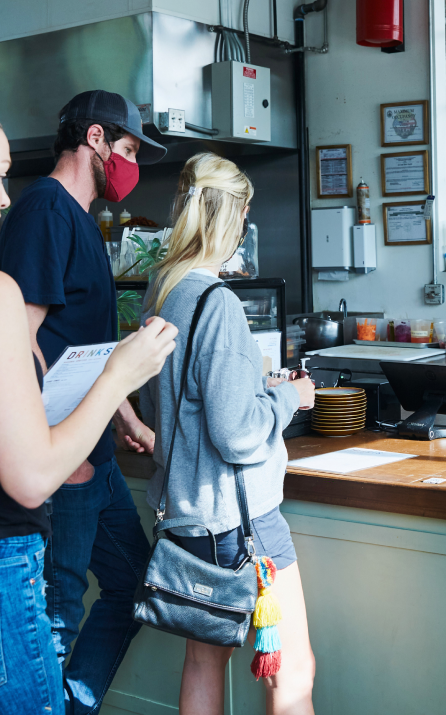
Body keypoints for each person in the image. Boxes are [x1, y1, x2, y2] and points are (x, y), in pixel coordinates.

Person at [0, 79, 178, 712]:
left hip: (86, 451)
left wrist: (122, 414)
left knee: (132, 581)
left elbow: (65, 348)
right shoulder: (41, 213)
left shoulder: (80, 221)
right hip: (51, 466)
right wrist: (109, 391)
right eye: (125, 146)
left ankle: (71, 700)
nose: (3, 194)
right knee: (60, 603)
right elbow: (22, 346)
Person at [141, 153, 317, 715]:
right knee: (291, 673)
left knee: (202, 664)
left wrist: (253, 384)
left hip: (185, 517)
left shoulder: (162, 291)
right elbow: (238, 435)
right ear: (235, 214)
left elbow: (170, 403)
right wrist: (291, 395)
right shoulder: (217, 303)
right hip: (241, 526)